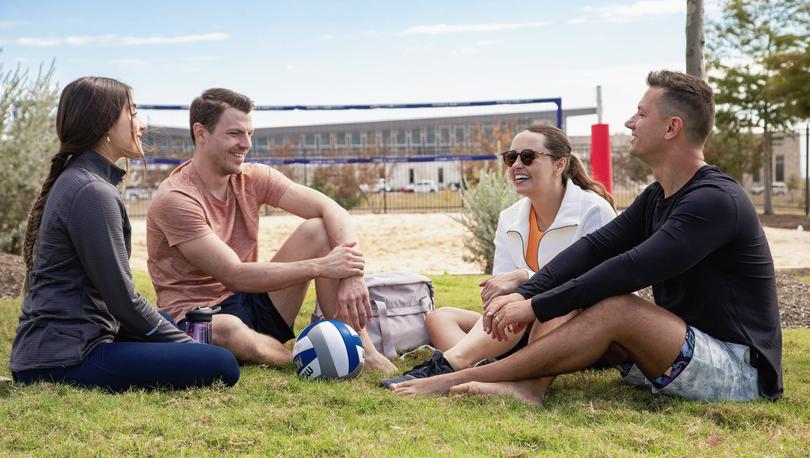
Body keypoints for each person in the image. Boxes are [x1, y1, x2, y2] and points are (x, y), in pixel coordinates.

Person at [389, 70, 783, 404]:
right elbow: (594, 249)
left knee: (616, 306)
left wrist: (535, 306)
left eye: (641, 114)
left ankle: (451, 378)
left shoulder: (715, 201)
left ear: (672, 127)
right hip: (677, 348)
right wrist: (529, 294)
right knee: (580, 302)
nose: (630, 122)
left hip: (739, 371)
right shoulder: (657, 196)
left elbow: (630, 267)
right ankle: (515, 380)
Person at [9, 77, 240, 392]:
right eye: (132, 113)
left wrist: (174, 338)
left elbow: (118, 303)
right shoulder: (92, 191)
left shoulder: (82, 179)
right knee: (220, 364)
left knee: (169, 326)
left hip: (64, 345)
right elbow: (124, 303)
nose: (141, 124)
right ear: (103, 123)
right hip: (65, 358)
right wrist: (189, 346)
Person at [146, 88, 396, 373]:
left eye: (249, 133)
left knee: (319, 230)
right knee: (228, 329)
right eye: (235, 134)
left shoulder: (252, 176)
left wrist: (351, 274)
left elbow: (333, 210)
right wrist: (322, 266)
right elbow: (234, 274)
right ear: (201, 133)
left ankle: (359, 346)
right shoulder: (176, 198)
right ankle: (310, 357)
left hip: (252, 300)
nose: (246, 144)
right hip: (199, 317)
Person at [381, 125, 616, 387]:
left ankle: (453, 366)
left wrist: (523, 277)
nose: (516, 165)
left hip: (573, 326)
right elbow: (501, 288)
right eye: (510, 157)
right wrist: (504, 298)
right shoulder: (510, 218)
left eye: (528, 157)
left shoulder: (593, 210)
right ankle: (487, 368)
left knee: (550, 308)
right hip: (520, 325)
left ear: (559, 164)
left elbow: (593, 286)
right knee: (440, 318)